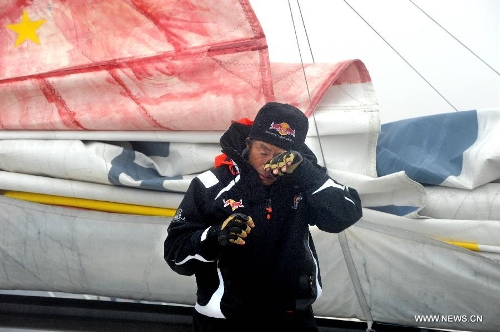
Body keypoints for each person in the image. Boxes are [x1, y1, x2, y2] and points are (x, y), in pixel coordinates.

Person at [164, 102, 363, 332]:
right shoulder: (210, 185)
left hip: (293, 319)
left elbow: (346, 214)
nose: (269, 164)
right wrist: (216, 237)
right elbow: (174, 253)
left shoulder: (303, 182)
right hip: (224, 321)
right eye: (264, 151)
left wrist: (306, 173)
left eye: (281, 156)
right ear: (249, 144)